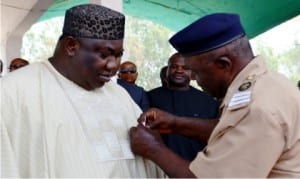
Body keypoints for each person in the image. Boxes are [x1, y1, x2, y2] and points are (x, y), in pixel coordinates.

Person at [1, 4, 164, 178]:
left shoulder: (119, 95)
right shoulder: (12, 93)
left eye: (118, 56)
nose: (113, 66)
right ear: (71, 46)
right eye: (104, 55)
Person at [129, 13, 300, 178]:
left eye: (196, 72)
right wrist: (175, 123)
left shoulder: (258, 106)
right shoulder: (270, 83)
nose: (194, 79)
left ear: (223, 64)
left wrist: (153, 148)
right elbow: (232, 131)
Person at [147, 52, 219, 161]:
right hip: (158, 165)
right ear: (167, 70)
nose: (179, 70)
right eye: (174, 67)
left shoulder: (208, 101)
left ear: (192, 73)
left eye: (185, 68)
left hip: (196, 167)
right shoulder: (150, 97)